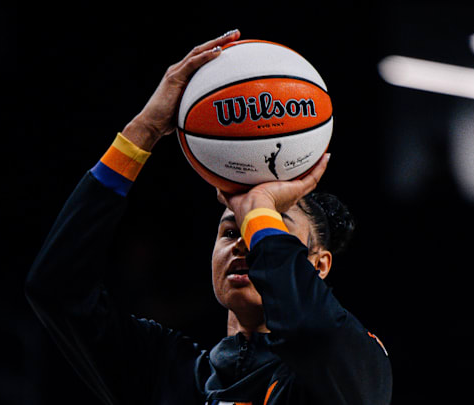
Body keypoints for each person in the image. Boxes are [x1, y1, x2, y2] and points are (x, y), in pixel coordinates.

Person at [25, 29, 392, 405]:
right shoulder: (165, 370)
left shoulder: (356, 362)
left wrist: (260, 206)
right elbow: (55, 288)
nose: (245, 241)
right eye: (230, 231)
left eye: (271, 226)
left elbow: (309, 328)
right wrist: (142, 133)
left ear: (319, 264)